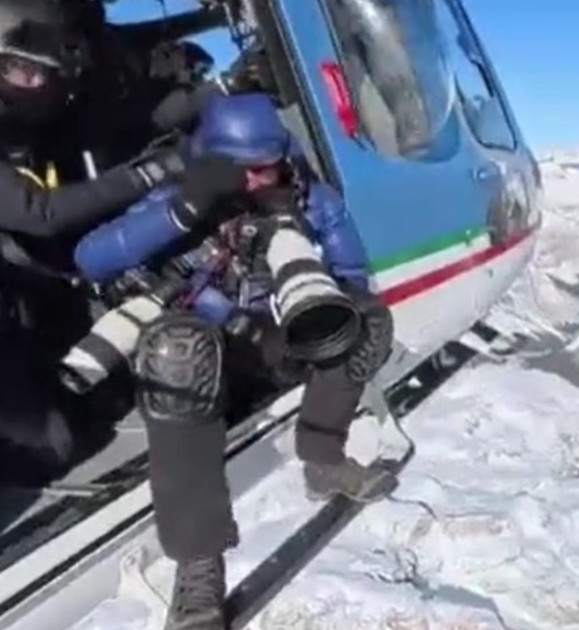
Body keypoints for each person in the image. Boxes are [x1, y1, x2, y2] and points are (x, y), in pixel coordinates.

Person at [71, 93, 398, 630]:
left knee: (367, 322)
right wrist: (185, 211)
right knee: (180, 352)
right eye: (236, 172)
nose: (251, 183)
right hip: (200, 349)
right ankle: (198, 563)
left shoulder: (309, 200)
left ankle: (322, 455)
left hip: (277, 342)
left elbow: (352, 274)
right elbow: (92, 258)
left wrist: (308, 286)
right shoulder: (184, 197)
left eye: (263, 169)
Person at [0, 0, 248, 470]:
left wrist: (216, 87)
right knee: (52, 448)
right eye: (16, 69)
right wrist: (152, 173)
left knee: (102, 406)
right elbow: (40, 212)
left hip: (40, 280)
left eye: (40, 72)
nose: (33, 81)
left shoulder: (39, 112)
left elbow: (126, 118)